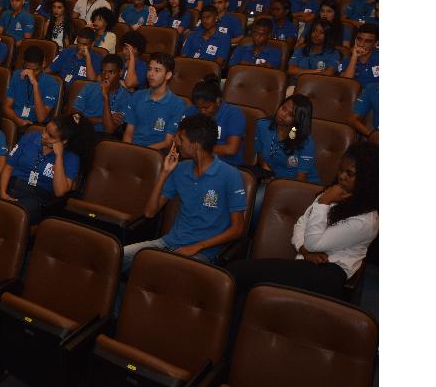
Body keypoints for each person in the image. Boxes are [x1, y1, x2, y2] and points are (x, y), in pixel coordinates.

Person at [228, 142, 378, 299]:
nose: (341, 176)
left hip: (328, 274)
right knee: (240, 278)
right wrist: (304, 250)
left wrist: (324, 202)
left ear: (366, 179)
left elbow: (313, 243)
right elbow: (301, 223)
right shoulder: (334, 192)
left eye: (350, 173)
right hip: (305, 263)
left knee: (238, 273)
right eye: (341, 169)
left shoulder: (366, 221)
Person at [121, 114, 247, 271]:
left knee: (163, 271)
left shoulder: (230, 175)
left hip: (202, 253)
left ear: (195, 146)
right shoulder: (180, 168)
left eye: (180, 138)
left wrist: (198, 246)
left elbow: (237, 229)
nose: (175, 141)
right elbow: (149, 213)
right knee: (115, 255)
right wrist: (165, 173)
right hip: (168, 244)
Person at [0, 114, 94, 224]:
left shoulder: (71, 157)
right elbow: (8, 167)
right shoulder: (30, 137)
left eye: (51, 136)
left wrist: (59, 156)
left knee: (13, 215)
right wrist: (2, 192)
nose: (44, 135)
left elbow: (60, 192)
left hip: (37, 199)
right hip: (11, 187)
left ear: (64, 141)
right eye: (45, 130)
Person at [122, 52, 187, 150]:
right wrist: (127, 150)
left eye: (157, 70)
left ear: (168, 75)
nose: (151, 74)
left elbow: (168, 142)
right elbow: (129, 132)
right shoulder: (137, 96)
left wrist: (141, 152)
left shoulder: (177, 104)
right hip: (133, 149)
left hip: (157, 154)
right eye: (149, 69)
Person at [253, 94, 321, 184]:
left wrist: (275, 185)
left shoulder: (305, 142)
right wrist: (266, 171)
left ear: (298, 120)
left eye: (291, 115)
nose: (283, 114)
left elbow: (301, 179)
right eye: (283, 108)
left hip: (299, 186)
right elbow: (260, 152)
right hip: (271, 180)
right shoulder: (263, 125)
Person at [183, 75, 246, 165]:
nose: (202, 112)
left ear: (218, 101)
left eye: (206, 107)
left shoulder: (233, 114)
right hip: (195, 161)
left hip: (227, 163)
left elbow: (231, 149)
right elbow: (181, 139)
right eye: (198, 107)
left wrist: (198, 149)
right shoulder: (191, 111)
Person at [71, 54, 129, 136]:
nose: (106, 76)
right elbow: (74, 117)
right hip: (80, 131)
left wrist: (106, 97)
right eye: (103, 71)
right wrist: (101, 120)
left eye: (111, 72)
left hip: (103, 137)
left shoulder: (126, 97)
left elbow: (109, 130)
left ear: (121, 73)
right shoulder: (89, 87)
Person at [4, 46, 61, 127]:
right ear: (23, 64)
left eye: (35, 70)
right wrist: (18, 121)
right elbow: (6, 106)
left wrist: (35, 84)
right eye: (27, 69)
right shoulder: (17, 75)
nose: (30, 73)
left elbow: (41, 118)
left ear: (43, 64)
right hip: (15, 120)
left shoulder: (52, 84)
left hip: (36, 125)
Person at [339, 23, 379, 88]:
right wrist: (354, 57)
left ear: (376, 43)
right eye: (359, 39)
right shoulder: (348, 60)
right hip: (354, 93)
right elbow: (345, 84)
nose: (361, 44)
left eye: (367, 41)